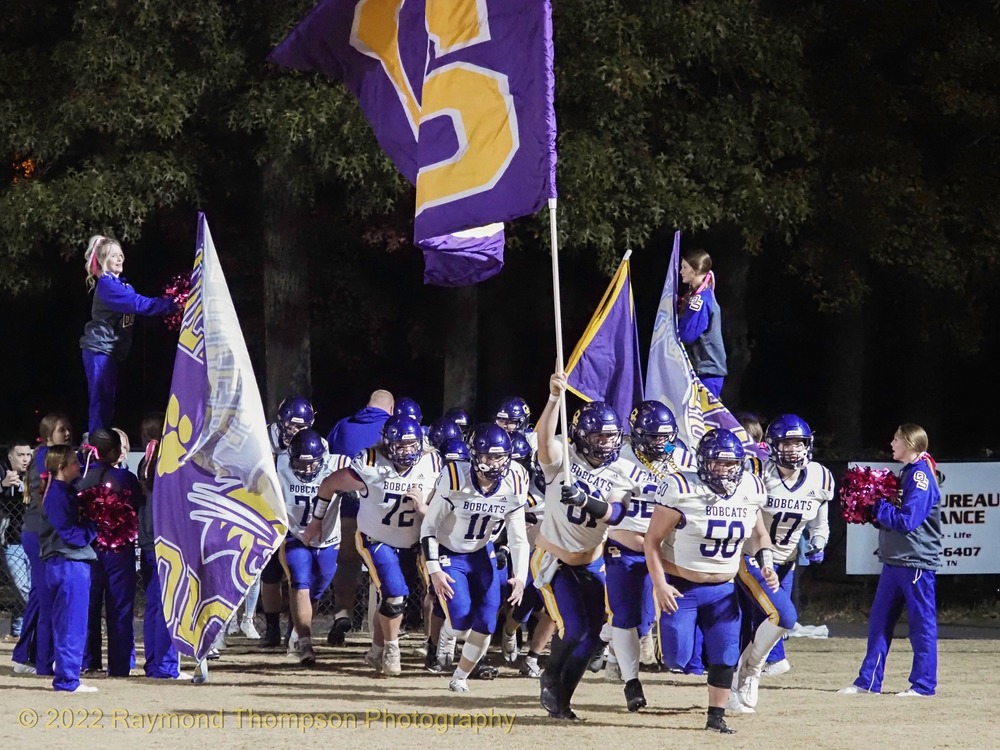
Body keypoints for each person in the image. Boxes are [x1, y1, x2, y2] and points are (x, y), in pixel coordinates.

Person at [644, 429, 776, 734]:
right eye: (718, 463)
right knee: (677, 657)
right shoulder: (680, 487)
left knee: (726, 654)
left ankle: (716, 717)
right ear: (704, 462)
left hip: (723, 589)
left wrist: (767, 562)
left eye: (731, 464)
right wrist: (660, 584)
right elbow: (652, 541)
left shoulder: (751, 487)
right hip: (683, 587)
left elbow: (758, 535)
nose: (726, 470)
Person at [303, 415, 441, 676]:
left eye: (411, 445)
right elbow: (329, 483)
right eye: (399, 445)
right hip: (375, 538)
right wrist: (316, 520)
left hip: (412, 540)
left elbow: (443, 505)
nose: (406, 451)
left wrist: (425, 508)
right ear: (387, 445)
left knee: (395, 597)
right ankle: (391, 647)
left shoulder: (433, 462)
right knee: (395, 595)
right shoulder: (370, 463)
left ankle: (376, 649)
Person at [533, 374, 634, 720]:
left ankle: (563, 699)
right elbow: (543, 441)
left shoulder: (621, 470)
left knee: (595, 636)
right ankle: (549, 674)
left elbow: (617, 513)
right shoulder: (564, 456)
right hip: (554, 558)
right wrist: (552, 400)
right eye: (597, 436)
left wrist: (586, 500)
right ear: (580, 436)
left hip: (591, 562)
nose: (605, 443)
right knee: (574, 628)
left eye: (610, 436)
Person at [731, 414, 833, 711]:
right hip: (751, 558)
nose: (793, 449)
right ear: (772, 445)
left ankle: (736, 683)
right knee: (780, 617)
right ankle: (750, 672)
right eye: (786, 443)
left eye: (799, 442)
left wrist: (818, 543)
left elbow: (820, 522)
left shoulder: (820, 477)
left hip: (786, 562)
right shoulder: (758, 471)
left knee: (760, 623)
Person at [421, 424, 530, 693]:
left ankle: (460, 677)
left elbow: (518, 537)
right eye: (487, 457)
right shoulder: (455, 477)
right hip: (449, 550)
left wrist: (521, 576)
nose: (494, 463)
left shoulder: (516, 478)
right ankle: (448, 632)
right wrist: (433, 568)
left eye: (500, 457)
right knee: (460, 620)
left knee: (488, 621)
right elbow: (429, 528)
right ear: (474, 455)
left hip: (482, 551)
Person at [603, 400, 695, 711]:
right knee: (626, 616)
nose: (660, 442)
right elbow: (614, 511)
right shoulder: (621, 460)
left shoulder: (682, 457)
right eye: (653, 436)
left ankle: (611, 644)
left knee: (646, 621)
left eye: (665, 436)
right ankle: (631, 683)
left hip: (666, 550)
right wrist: (615, 513)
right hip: (627, 547)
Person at [839, 424, 942, 697]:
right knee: (879, 623)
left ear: (909, 442)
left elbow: (908, 521)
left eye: (896, 438)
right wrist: (874, 512)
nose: (892, 442)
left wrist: (878, 505)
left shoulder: (920, 476)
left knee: (921, 626)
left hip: (916, 562)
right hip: (894, 561)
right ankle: (869, 682)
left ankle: (923, 685)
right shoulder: (907, 472)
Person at [79, 235, 177, 434]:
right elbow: (139, 304)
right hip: (99, 349)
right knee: (100, 399)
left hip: (111, 351)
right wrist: (174, 304)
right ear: (103, 260)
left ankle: (101, 440)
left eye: (121, 255)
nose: (120, 259)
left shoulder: (122, 286)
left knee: (106, 400)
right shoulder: (107, 285)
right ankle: (96, 445)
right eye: (114, 256)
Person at [324, 389, 394, 645]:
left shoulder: (343, 426)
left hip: (346, 508)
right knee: (384, 569)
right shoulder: (392, 428)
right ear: (392, 409)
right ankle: (383, 632)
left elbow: (329, 459)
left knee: (346, 564)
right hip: (381, 512)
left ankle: (342, 614)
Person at [279, 429, 350, 664]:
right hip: (296, 536)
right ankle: (306, 644)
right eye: (301, 463)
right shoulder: (278, 464)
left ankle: (298, 633)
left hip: (329, 540)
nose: (308, 469)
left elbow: (365, 476)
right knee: (300, 583)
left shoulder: (337, 463)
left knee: (316, 591)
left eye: (313, 464)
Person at [76, 428, 140, 677]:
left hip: (89, 549)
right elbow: (136, 505)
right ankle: (120, 665)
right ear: (114, 452)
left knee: (89, 606)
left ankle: (89, 662)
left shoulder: (81, 479)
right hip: (119, 550)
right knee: (120, 608)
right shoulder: (126, 479)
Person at [13, 413, 73, 675]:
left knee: (39, 595)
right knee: (44, 597)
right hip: (38, 534)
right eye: (62, 430)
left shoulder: (47, 455)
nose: (68, 433)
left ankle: (25, 655)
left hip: (39, 533)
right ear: (48, 435)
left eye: (68, 429)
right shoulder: (45, 458)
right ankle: (36, 659)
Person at [37, 445, 98, 693]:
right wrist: (94, 528)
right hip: (69, 564)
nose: (78, 466)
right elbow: (70, 534)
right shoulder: (59, 495)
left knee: (66, 623)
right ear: (62, 467)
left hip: (62, 564)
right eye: (74, 462)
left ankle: (66, 675)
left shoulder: (60, 491)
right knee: (72, 624)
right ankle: (67, 680)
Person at [136, 413, 185, 679]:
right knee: (168, 604)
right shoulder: (164, 463)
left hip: (149, 541)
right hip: (165, 540)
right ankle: (165, 666)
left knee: (155, 603)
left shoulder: (146, 461)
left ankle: (155, 664)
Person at [678, 249, 727, 398]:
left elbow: (687, 335)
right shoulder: (702, 296)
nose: (681, 271)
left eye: (685, 267)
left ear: (695, 270)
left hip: (707, 372)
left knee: (704, 419)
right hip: (706, 371)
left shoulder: (700, 300)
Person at [2, 441, 32, 640]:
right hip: (11, 542)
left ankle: (19, 630)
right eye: (20, 455)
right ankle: (36, 620)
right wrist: (3, 485)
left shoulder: (35, 474)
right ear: (10, 457)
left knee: (31, 584)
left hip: (32, 540)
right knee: (22, 587)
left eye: (28, 455)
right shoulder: (3, 472)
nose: (25, 459)